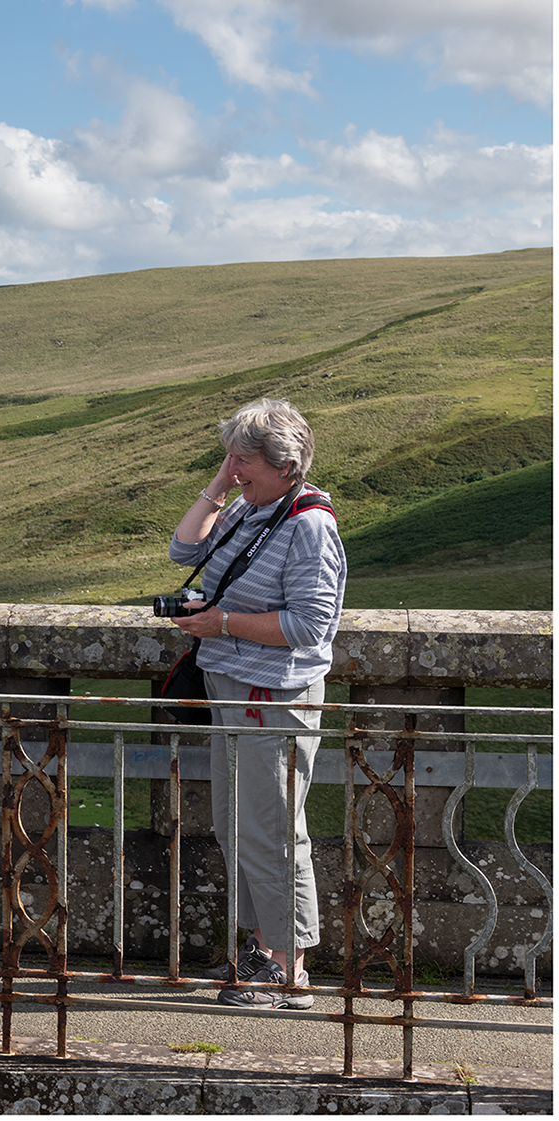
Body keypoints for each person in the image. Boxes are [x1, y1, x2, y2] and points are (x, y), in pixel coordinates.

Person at [170, 398, 344, 1010]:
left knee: (271, 830)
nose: (235, 467)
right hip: (233, 690)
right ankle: (259, 948)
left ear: (287, 464)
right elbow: (185, 550)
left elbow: (311, 625)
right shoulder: (254, 509)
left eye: (245, 459)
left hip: (274, 695)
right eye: (233, 457)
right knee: (233, 820)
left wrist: (223, 624)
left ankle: (288, 965)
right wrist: (221, 482)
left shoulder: (308, 525)